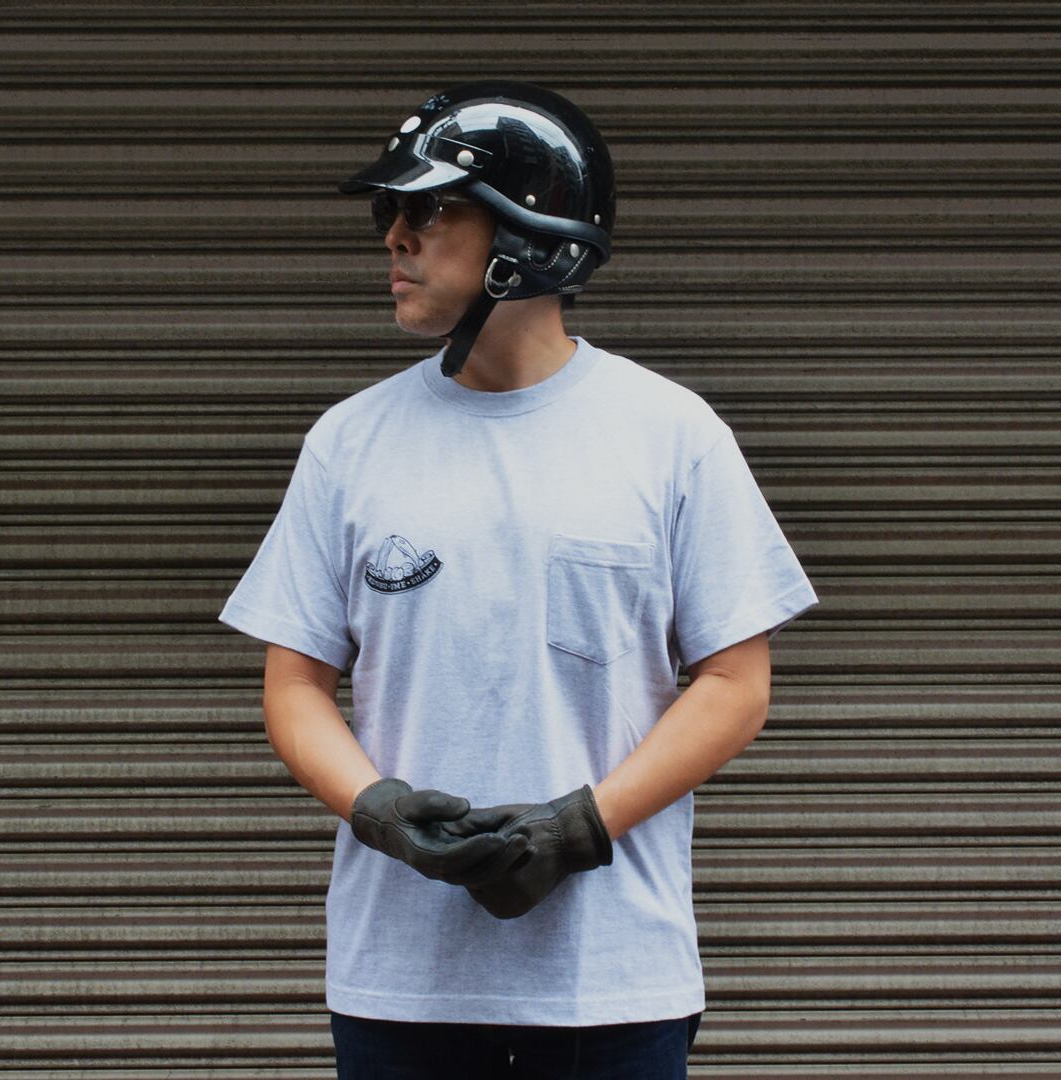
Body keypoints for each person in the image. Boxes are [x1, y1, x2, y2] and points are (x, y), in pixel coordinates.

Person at [218, 81, 819, 1080]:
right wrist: (382, 813)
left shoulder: (672, 437)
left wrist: (579, 828)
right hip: (400, 982)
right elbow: (293, 688)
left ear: (527, 235)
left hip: (611, 981)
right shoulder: (347, 445)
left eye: (427, 211)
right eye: (391, 213)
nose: (394, 238)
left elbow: (735, 684)